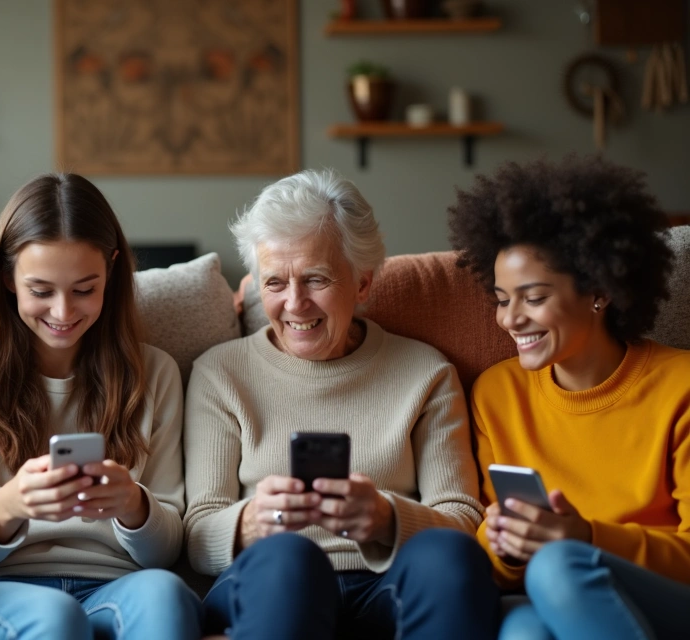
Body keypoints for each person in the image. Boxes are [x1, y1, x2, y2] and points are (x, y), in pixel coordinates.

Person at [184, 169, 498, 639]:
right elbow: (197, 533)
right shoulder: (221, 374)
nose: (295, 304)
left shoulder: (425, 372)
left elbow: (461, 518)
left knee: (450, 557)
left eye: (316, 279)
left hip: (386, 585)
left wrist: (385, 518)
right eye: (274, 283)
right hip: (272, 583)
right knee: (291, 559)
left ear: (363, 283)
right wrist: (251, 522)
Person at [0, 173, 202, 640]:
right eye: (41, 291)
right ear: (6, 278)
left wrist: (133, 504)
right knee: (56, 619)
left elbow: (167, 550)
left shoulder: (153, 372)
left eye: (83, 289)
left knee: (166, 595)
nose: (62, 312)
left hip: (117, 584)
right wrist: (10, 503)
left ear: (112, 272)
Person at [448, 155, 690, 640]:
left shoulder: (680, 386)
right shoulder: (497, 393)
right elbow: (495, 566)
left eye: (533, 298)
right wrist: (505, 545)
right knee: (522, 632)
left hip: (668, 595)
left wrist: (586, 539)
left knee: (556, 566)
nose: (509, 319)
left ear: (599, 291)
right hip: (548, 594)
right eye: (501, 298)